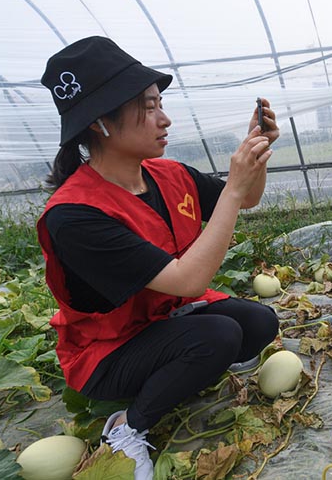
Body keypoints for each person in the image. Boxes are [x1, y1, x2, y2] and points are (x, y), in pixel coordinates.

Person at [37, 36, 280, 480]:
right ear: (100, 123)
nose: (164, 119)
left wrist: (256, 155)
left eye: (160, 103)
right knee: (218, 336)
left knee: (261, 323)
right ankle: (126, 427)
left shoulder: (168, 175)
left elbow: (247, 200)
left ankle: (181, 368)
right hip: (106, 351)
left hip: (163, 316)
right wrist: (233, 187)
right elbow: (190, 280)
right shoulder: (74, 216)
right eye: (148, 108)